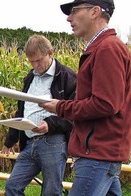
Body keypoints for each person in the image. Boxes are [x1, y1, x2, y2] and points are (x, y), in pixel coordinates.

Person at [39, 1, 131, 195]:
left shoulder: (107, 49)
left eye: (74, 11)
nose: (69, 18)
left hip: (98, 153)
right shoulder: (103, 47)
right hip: (101, 151)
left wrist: (60, 107)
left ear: (95, 12)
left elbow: (105, 104)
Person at [0, 35, 76, 196]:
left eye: (39, 60)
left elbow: (75, 113)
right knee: (12, 186)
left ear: (50, 52)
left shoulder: (66, 77)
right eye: (31, 61)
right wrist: (10, 140)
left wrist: (50, 124)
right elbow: (22, 110)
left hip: (53, 143)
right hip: (29, 143)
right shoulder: (30, 77)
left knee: (51, 192)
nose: (35, 65)